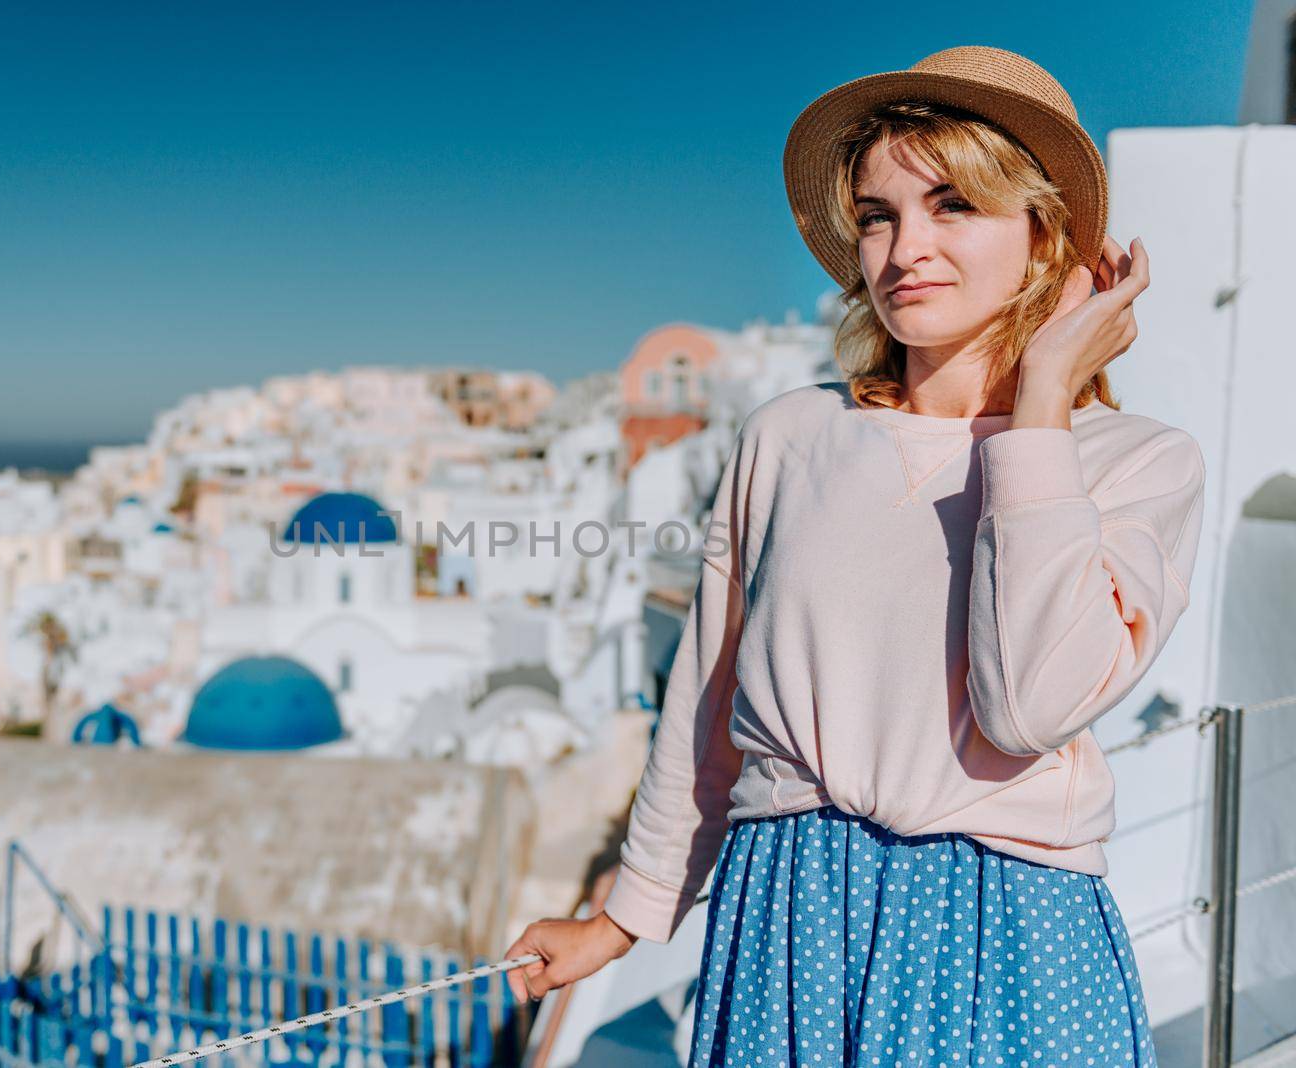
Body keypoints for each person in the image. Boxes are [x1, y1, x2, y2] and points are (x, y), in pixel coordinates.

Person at [503, 45, 1206, 1066]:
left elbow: (1029, 708)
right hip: (785, 909)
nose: (902, 248)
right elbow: (705, 704)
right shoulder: (790, 437)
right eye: (877, 215)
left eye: (951, 204)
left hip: (1003, 927)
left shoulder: (1133, 464)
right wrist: (620, 921)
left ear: (1044, 235)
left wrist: (1042, 401)